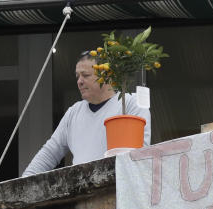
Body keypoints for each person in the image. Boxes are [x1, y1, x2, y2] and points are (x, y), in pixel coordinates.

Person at [21, 51, 151, 176]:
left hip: (118, 191)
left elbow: (139, 155)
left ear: (105, 75)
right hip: (81, 193)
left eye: (86, 75)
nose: (79, 81)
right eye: (77, 76)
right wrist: (24, 182)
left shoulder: (131, 103)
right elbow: (49, 153)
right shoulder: (73, 112)